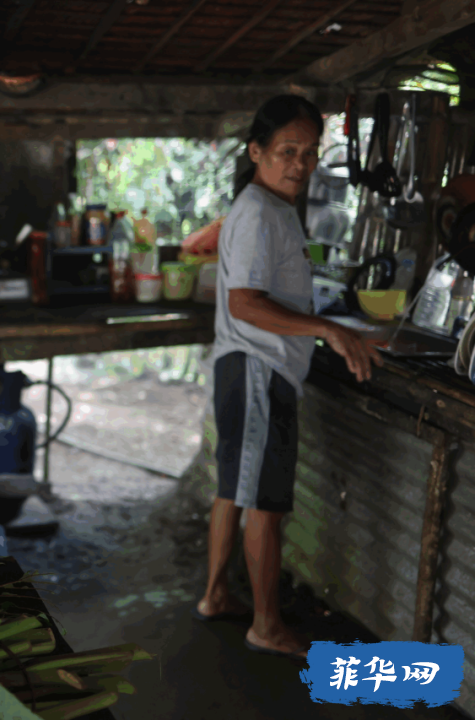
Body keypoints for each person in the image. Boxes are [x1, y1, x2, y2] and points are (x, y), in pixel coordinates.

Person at [194, 95, 382, 659]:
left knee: (235, 489)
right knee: (265, 506)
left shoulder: (270, 208)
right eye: (286, 151)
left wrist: (322, 325)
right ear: (257, 153)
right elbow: (247, 304)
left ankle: (215, 595)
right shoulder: (256, 212)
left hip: (245, 368)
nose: (299, 164)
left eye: (308, 153)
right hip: (257, 369)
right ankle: (267, 625)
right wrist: (327, 329)